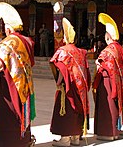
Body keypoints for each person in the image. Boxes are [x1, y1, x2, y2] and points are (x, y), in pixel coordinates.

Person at [0, 2, 36, 147]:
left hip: (9, 87)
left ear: (8, 28)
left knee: (8, 115)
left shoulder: (8, 42)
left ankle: (7, 142)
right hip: (24, 85)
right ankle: (23, 140)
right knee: (21, 112)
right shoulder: (27, 41)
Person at [49, 17, 90, 147]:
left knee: (66, 109)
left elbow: (61, 68)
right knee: (77, 110)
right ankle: (76, 137)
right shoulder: (80, 52)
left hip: (68, 86)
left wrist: (58, 81)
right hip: (80, 87)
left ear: (65, 38)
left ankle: (65, 139)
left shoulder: (63, 51)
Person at [93, 13, 123, 141]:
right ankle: (115, 132)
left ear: (108, 37)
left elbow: (104, 64)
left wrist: (98, 64)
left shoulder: (108, 50)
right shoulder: (120, 49)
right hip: (118, 80)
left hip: (107, 81)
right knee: (115, 104)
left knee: (107, 105)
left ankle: (107, 132)